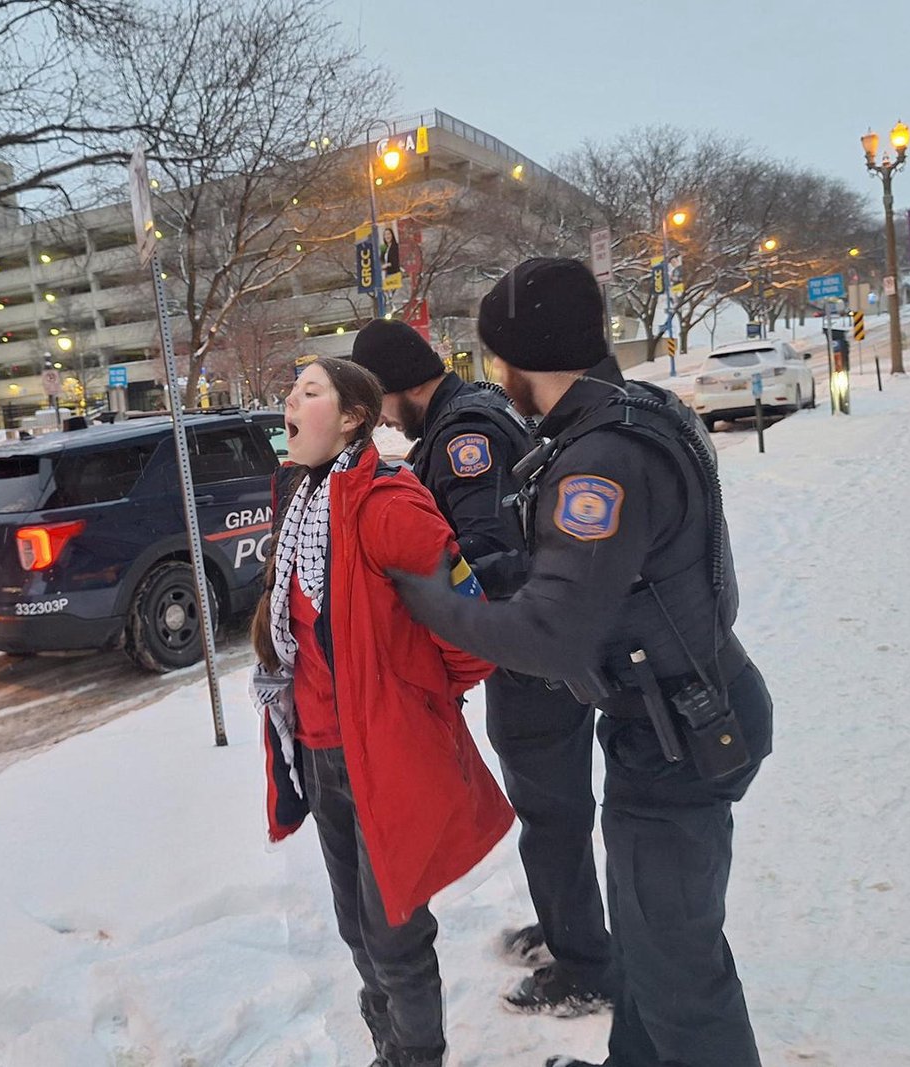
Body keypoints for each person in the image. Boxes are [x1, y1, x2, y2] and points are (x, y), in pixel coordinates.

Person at [389, 259, 774, 1067]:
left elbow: (550, 637)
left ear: (523, 356)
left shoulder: (601, 460)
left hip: (683, 734)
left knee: (682, 972)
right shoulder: (629, 414)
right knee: (644, 938)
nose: (495, 375)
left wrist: (429, 600)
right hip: (662, 722)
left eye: (498, 357)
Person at [250, 356, 513, 1067]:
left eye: (309, 391)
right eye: (290, 389)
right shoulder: (303, 499)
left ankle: (418, 1056)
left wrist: (416, 703)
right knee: (358, 929)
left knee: (395, 932)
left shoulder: (388, 502)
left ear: (353, 417)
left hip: (384, 752)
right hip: (319, 749)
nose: (289, 402)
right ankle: (389, 1050)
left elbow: (469, 629)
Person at [349, 319, 615, 1017]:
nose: (381, 420)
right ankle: (569, 930)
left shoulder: (466, 436)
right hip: (532, 646)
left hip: (529, 655)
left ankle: (587, 963)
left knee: (552, 809)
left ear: (400, 385)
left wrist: (427, 610)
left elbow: (488, 558)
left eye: (379, 403)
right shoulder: (473, 415)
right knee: (549, 805)